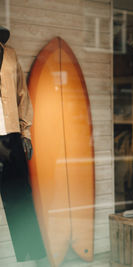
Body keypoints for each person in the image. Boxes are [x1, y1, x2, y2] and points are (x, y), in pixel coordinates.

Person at [0, 25, 47, 263]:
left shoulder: (9, 55)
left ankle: (30, 257)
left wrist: (25, 132)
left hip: (10, 136)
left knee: (21, 200)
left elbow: (22, 94)